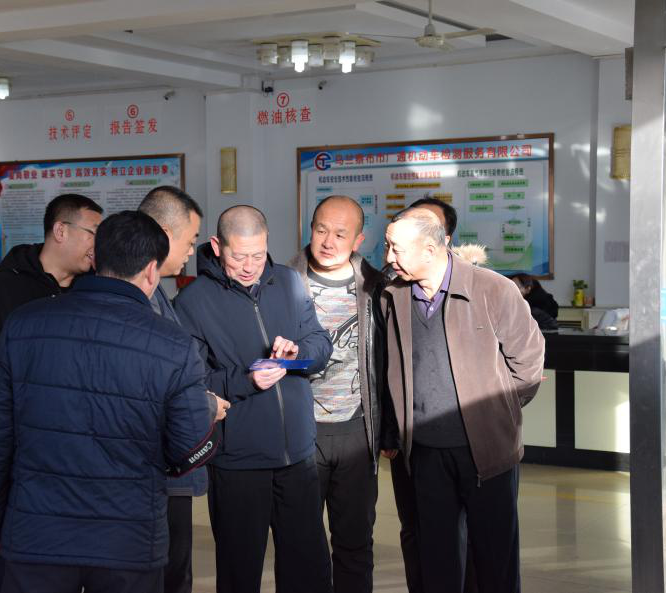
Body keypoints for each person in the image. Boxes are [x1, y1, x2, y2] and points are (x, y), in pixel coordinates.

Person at [0, 211, 229, 593]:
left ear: (97, 258)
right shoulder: (172, 343)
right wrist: (207, 420)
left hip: (38, 534)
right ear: (151, 271)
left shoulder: (24, 324)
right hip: (128, 540)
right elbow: (187, 449)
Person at [380, 207, 545, 593]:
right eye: (387, 246)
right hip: (424, 451)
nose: (388, 257)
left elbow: (528, 364)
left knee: (494, 559)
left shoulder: (493, 289)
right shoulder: (393, 296)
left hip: (487, 451)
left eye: (396, 249)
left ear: (431, 249)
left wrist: (494, 414)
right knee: (436, 559)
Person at [173, 205, 334, 593]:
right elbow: (189, 383)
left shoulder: (290, 281)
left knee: (309, 571)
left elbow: (321, 344)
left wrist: (297, 353)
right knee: (239, 572)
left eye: (258, 256)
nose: (250, 267)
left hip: (297, 456)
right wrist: (246, 380)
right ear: (217, 246)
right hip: (237, 462)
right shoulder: (192, 301)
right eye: (239, 256)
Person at [0, 193, 103, 593]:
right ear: (60, 230)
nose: (98, 244)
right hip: (13, 462)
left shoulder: (93, 294)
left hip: (77, 463)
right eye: (93, 232)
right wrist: (2, 426)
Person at [287, 195, 384, 593]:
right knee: (298, 544)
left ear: (359, 240)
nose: (328, 241)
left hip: (356, 431)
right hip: (299, 432)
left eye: (341, 234)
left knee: (355, 543)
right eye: (321, 230)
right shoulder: (281, 283)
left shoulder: (378, 288)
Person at [138, 185, 204, 593]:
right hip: (150, 470)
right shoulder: (134, 304)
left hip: (170, 470)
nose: (191, 252)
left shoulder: (157, 291)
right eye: (190, 241)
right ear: (164, 235)